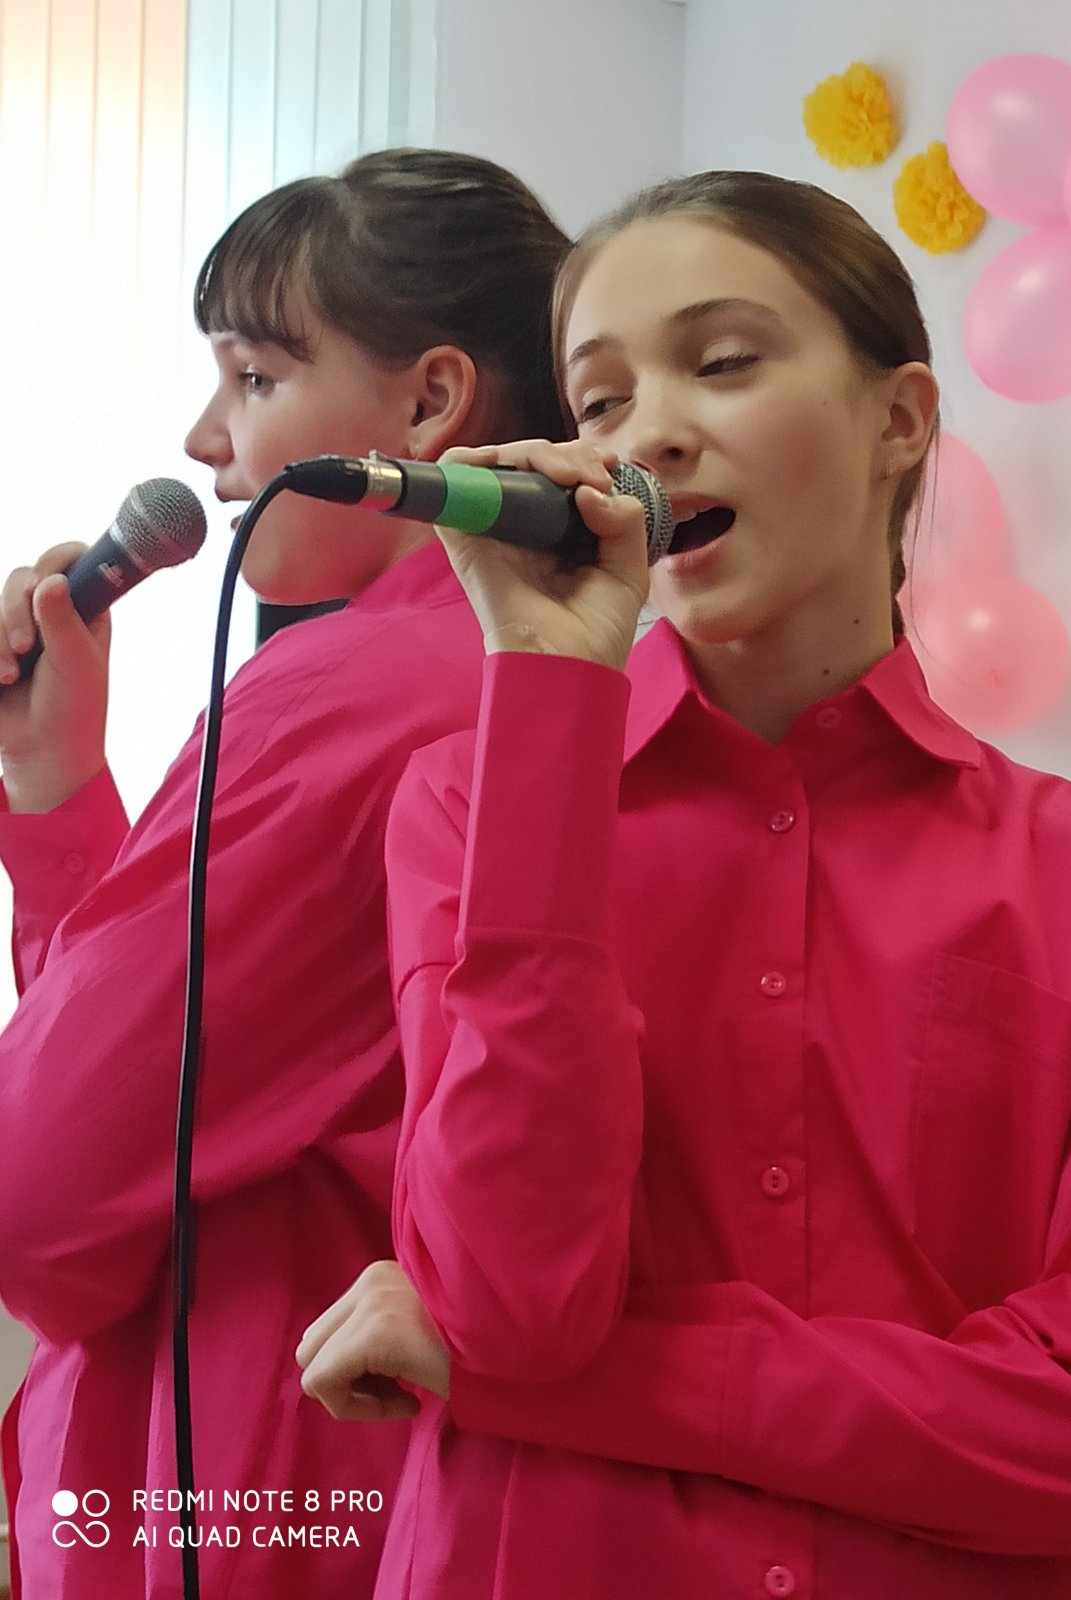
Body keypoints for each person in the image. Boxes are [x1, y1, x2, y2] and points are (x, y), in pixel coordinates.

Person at [298, 171, 1071, 1600]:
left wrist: (574, 1390)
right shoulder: (468, 804)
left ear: (898, 420)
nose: (644, 432)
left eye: (720, 362)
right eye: (599, 401)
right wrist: (547, 700)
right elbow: (513, 1305)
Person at [0, 147, 568, 1600]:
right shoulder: (570, 670)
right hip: (427, 1483)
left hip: (252, 1473)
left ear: (431, 405)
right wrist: (61, 790)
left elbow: (41, 1181)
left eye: (254, 378)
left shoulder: (351, 693)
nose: (205, 440)